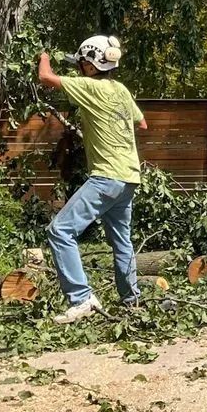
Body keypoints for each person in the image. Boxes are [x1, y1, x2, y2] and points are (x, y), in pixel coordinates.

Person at [38, 36, 148, 324]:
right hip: (129, 176)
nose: (80, 68)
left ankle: (81, 297)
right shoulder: (120, 89)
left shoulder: (90, 87)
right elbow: (141, 122)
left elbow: (45, 76)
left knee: (60, 231)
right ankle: (131, 301)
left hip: (107, 175)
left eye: (82, 63)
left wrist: (44, 52)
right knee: (122, 241)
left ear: (90, 65)